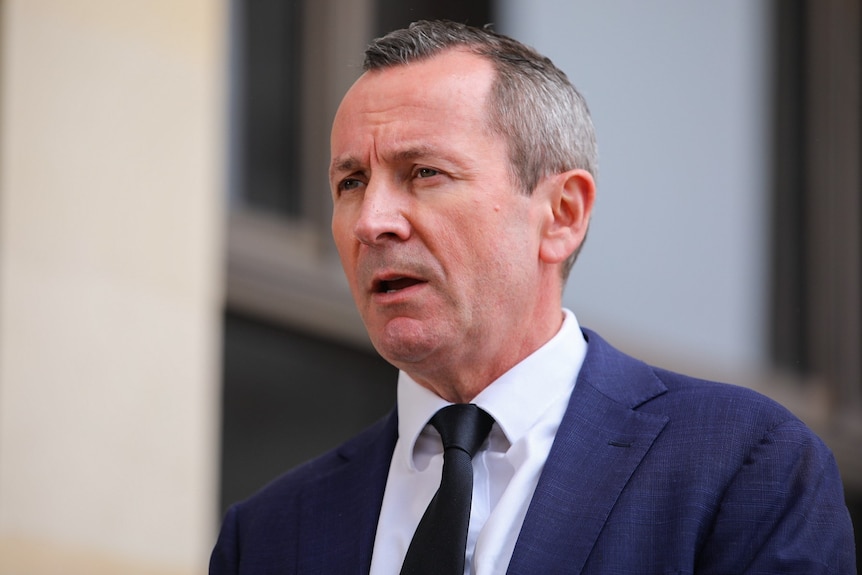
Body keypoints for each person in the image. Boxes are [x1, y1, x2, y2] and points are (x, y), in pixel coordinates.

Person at [210, 20, 856, 574]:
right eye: (351, 181)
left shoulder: (742, 466)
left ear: (562, 214)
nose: (372, 220)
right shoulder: (268, 535)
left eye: (423, 173)